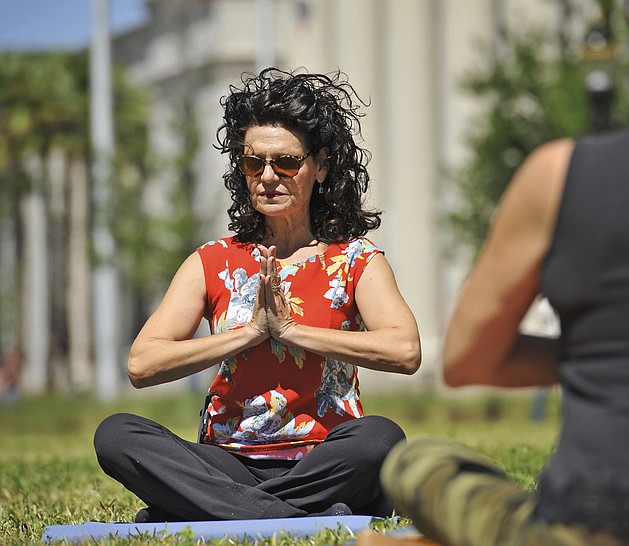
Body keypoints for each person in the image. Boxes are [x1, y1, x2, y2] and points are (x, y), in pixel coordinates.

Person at [371, 1, 629, 544]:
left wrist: (605, 355)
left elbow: (465, 358)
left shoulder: (559, 176)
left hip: (595, 528)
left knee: (419, 463)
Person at [94, 68, 421, 523]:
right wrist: (250, 333)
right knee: (116, 435)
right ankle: (301, 515)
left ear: (321, 165)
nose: (268, 176)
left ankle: (211, 510)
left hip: (323, 460)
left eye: (286, 162)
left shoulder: (355, 260)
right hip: (229, 462)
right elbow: (142, 364)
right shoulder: (212, 260)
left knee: (381, 438)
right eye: (254, 163)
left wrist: (291, 330)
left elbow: (405, 351)